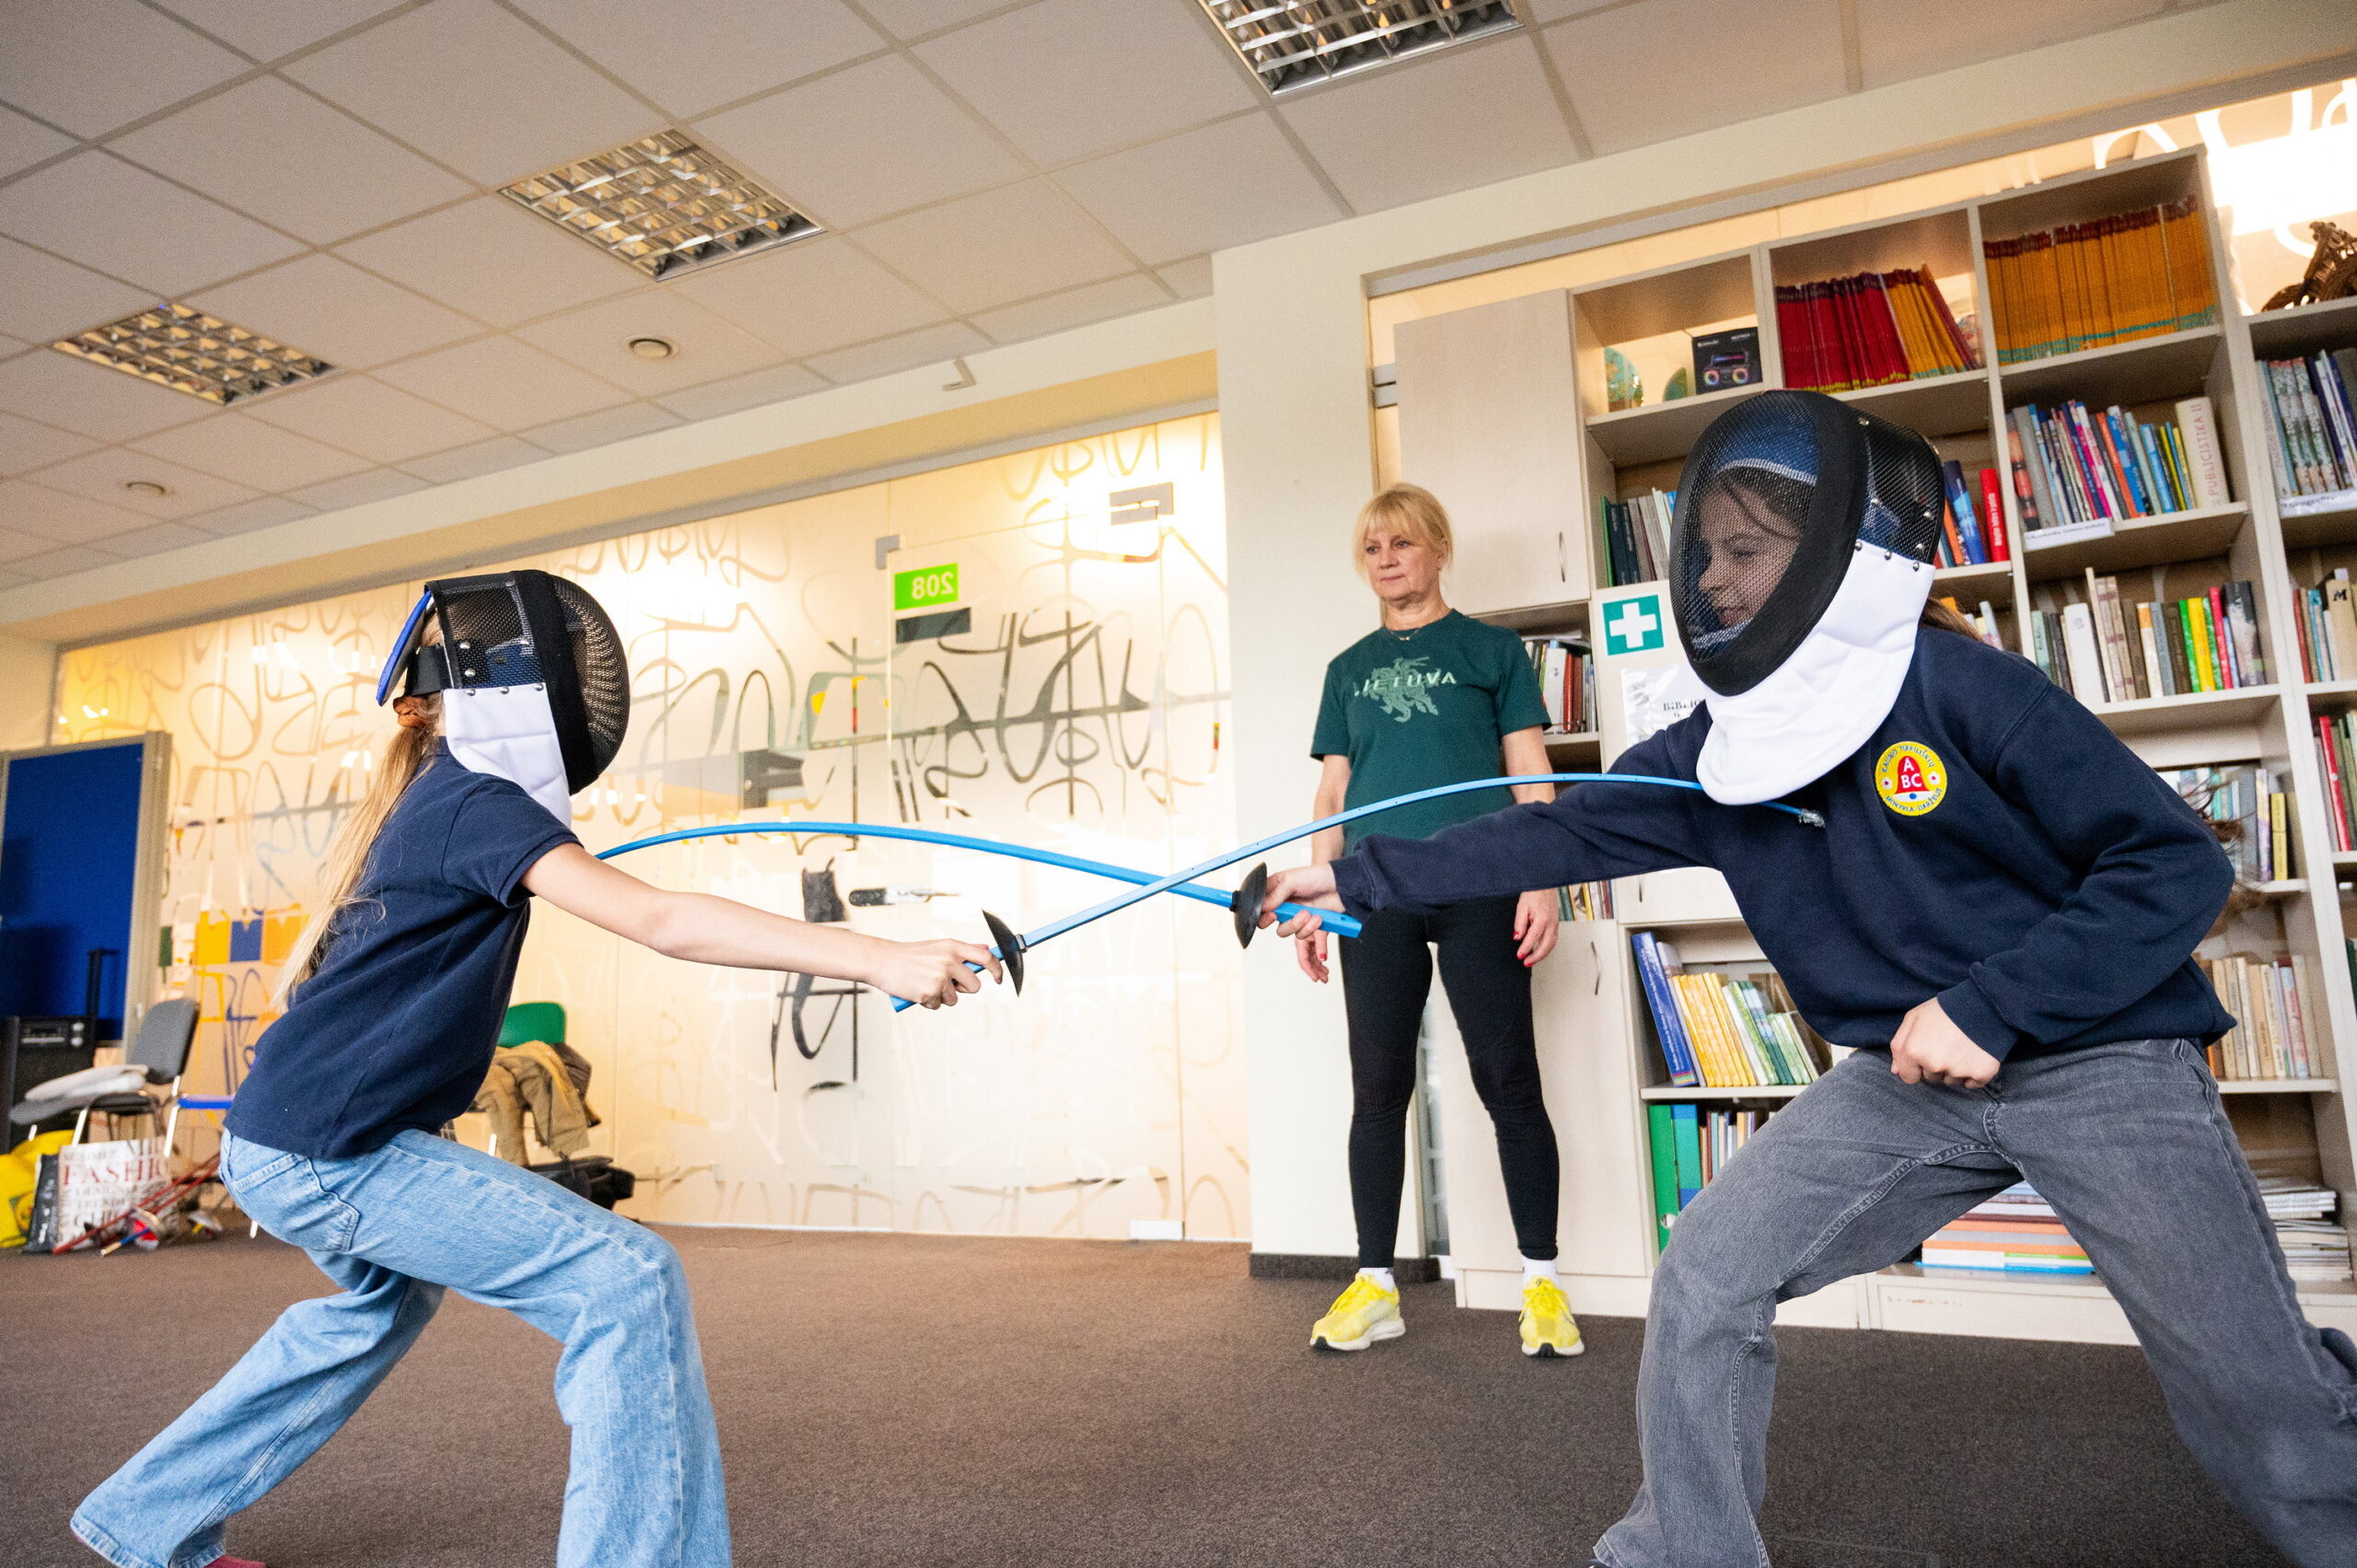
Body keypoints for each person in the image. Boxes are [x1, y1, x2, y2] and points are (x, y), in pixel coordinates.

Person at [1263, 394, 2357, 1568]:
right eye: (1705, 554)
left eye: (1747, 549)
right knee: (1707, 1270)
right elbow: (1554, 832)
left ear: (1843, 549)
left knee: (2257, 1400)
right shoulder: (1712, 754)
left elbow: (2174, 862)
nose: (1714, 580)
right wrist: (1349, 875)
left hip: (2100, 1055)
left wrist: (1992, 1004)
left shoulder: (1960, 684)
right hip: (1908, 1080)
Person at [72, 570, 999, 1568]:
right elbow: (662, 920)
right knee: (627, 1279)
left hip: (290, 1137)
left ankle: (145, 1517)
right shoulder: (474, 801)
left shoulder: (438, 797)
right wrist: (879, 957)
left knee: (380, 1307)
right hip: (331, 1150)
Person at [1300, 482, 1582, 1360]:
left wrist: (1544, 877)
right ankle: (1375, 1286)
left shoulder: (1492, 651)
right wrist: (1317, 893)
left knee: (1509, 1080)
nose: (1387, 560)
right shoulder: (1346, 669)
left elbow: (1530, 770)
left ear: (1438, 550)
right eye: (1372, 548)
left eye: (1403, 544)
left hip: (1479, 879)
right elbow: (1333, 793)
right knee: (1378, 1089)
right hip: (1375, 887)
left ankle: (1542, 1285)